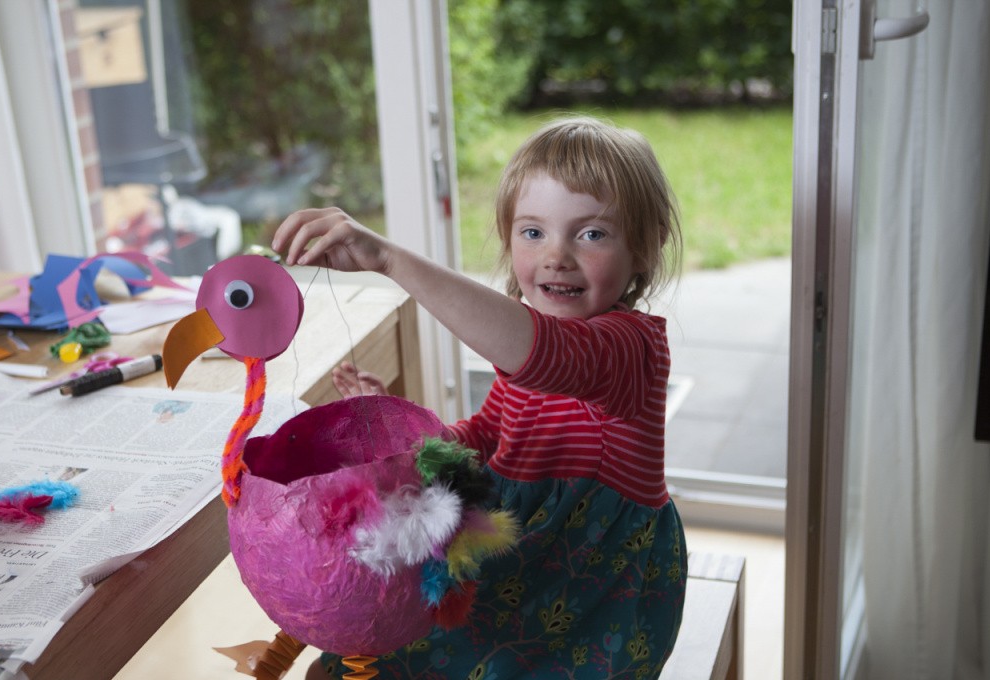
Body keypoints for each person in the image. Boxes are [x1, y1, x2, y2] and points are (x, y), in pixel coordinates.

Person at [272, 116, 686, 679]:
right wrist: (417, 438)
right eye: (533, 231)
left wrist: (390, 260)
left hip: (586, 605)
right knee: (348, 664)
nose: (556, 256)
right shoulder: (531, 338)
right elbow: (489, 432)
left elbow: (548, 355)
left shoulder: (631, 350)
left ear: (646, 246)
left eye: (591, 233)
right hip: (509, 567)